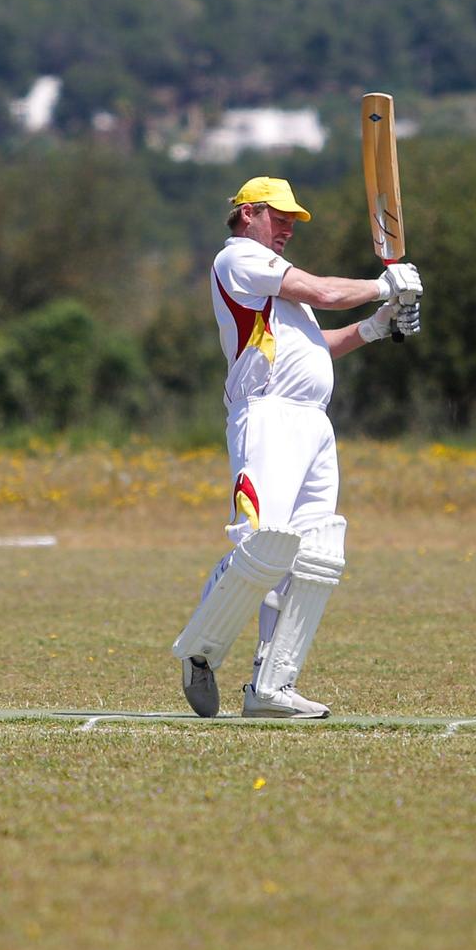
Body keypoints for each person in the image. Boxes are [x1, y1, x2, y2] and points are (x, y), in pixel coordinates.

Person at [169, 176, 422, 719]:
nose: (287, 227)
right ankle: (199, 648)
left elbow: (317, 345)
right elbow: (328, 293)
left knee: (312, 556)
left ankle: (271, 686)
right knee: (264, 545)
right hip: (267, 415)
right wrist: (385, 285)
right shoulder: (238, 259)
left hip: (312, 423)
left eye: (292, 220)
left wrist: (378, 326)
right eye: (279, 216)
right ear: (248, 213)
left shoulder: (275, 286)